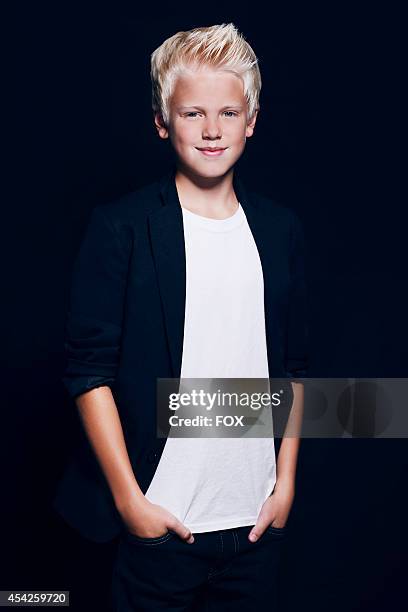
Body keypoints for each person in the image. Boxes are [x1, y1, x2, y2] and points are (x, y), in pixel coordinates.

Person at [52, 22, 309, 611]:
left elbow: (293, 367)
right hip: (160, 526)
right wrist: (128, 500)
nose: (212, 130)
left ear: (251, 119)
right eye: (193, 113)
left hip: (255, 527)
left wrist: (285, 486)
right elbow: (88, 371)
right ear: (162, 121)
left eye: (228, 111)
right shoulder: (122, 227)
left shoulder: (280, 230)